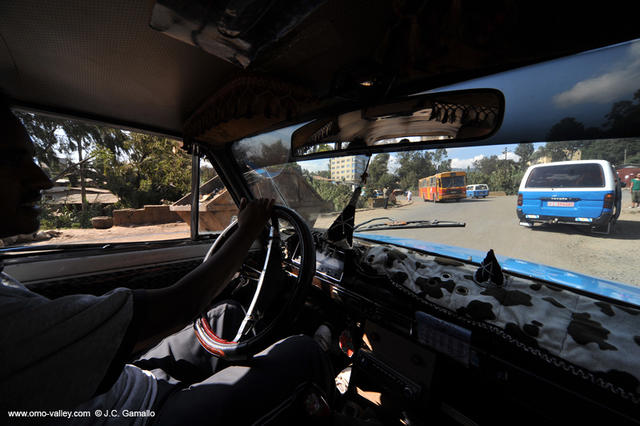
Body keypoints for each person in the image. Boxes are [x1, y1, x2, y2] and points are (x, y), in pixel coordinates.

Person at [0, 98, 332, 423]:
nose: (42, 179)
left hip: (126, 381)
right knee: (303, 352)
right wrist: (245, 232)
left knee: (228, 316)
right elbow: (180, 305)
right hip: (144, 414)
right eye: (13, 161)